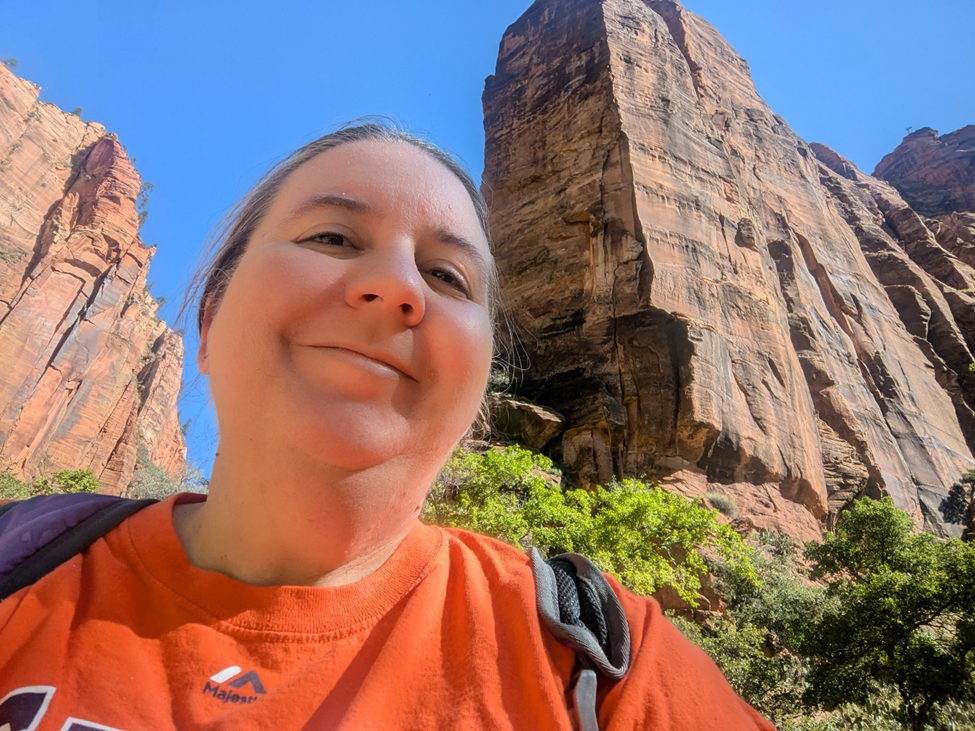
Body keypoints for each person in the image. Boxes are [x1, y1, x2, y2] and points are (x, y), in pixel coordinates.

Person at [0, 122, 775, 730]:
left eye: (447, 276)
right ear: (208, 321)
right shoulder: (22, 571)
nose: (396, 286)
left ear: (479, 376)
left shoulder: (600, 661)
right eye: (332, 237)